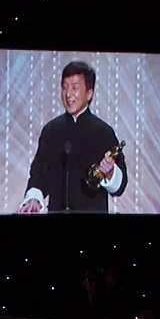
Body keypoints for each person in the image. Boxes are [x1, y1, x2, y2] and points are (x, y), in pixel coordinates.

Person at [18, 61, 128, 213]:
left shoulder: (103, 132)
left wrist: (110, 173)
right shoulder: (51, 131)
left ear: (89, 93)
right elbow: (39, 175)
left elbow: (120, 187)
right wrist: (33, 199)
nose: (68, 94)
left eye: (74, 88)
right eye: (65, 87)